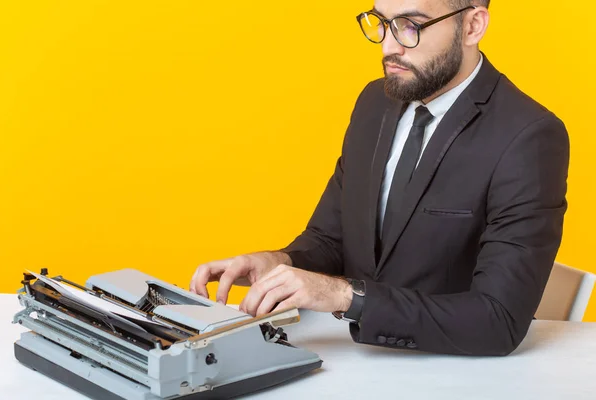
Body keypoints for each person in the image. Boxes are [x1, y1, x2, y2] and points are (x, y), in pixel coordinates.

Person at [190, 0, 569, 356]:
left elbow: (497, 320)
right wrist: (280, 263)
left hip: (455, 377)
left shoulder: (529, 136)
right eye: (381, 23)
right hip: (354, 361)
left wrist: (345, 296)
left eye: (411, 26)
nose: (389, 46)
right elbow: (332, 238)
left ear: (472, 26)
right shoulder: (375, 102)